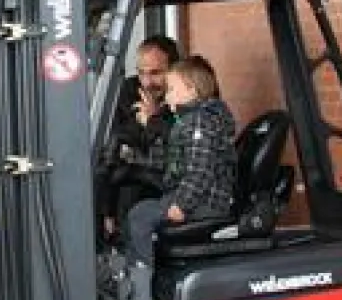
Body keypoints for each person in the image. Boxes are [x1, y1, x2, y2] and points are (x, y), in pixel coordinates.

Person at [123, 54, 238, 267]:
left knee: (140, 216)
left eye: (172, 90)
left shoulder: (200, 123)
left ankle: (141, 283)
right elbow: (172, 161)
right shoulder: (186, 122)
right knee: (140, 209)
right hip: (192, 198)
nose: (167, 96)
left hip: (204, 204)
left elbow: (200, 171)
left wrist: (182, 205)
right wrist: (133, 158)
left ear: (192, 91)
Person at [98, 35, 181, 238]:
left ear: (174, 69)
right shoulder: (128, 91)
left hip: (173, 178)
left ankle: (135, 261)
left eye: (155, 73)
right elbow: (119, 138)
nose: (147, 82)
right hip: (136, 171)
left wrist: (153, 118)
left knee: (132, 186)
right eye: (142, 73)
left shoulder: (187, 93)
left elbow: (179, 141)